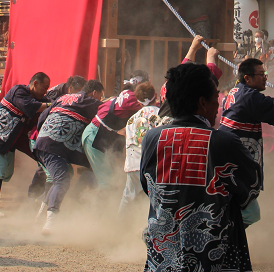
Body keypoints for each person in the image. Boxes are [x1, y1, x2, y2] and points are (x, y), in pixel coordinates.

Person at [140, 62, 261, 272]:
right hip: (213, 259)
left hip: (163, 260)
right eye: (216, 99)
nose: (218, 107)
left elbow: (147, 186)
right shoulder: (224, 142)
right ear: (202, 102)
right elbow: (251, 188)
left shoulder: (152, 138)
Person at [220, 56, 274, 219]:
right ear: (247, 78)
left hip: (230, 157)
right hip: (235, 160)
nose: (265, 77)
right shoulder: (248, 96)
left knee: (243, 210)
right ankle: (228, 239)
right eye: (261, 74)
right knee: (250, 213)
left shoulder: (236, 91)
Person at [0, 72, 50, 217]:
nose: (46, 91)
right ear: (35, 83)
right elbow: (30, 106)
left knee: (6, 173)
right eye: (44, 87)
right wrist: (51, 104)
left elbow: (45, 105)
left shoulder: (40, 99)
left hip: (11, 139)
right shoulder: (19, 91)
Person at [33, 88, 102, 234]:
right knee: (62, 180)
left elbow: (42, 118)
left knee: (64, 174)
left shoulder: (61, 98)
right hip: (54, 145)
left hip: (45, 142)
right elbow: (105, 108)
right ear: (93, 93)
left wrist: (43, 135)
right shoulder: (85, 99)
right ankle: (50, 222)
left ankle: (41, 213)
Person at [81, 82, 147, 190]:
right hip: (94, 137)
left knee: (111, 177)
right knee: (107, 182)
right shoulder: (129, 97)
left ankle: (85, 183)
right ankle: (101, 206)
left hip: (97, 136)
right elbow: (150, 107)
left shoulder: (115, 99)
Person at [119, 82, 160, 213]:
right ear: (155, 95)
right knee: (155, 199)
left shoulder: (131, 119)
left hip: (133, 164)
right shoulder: (159, 115)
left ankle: (117, 224)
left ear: (138, 101)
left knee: (128, 197)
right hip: (152, 165)